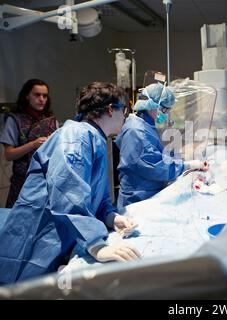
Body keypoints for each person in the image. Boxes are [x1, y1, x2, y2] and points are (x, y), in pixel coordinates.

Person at [0, 82, 140, 285]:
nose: (125, 117)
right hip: (38, 235)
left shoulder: (96, 139)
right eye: (124, 110)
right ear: (111, 109)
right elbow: (67, 193)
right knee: (20, 286)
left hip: (61, 236)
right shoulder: (76, 136)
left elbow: (96, 196)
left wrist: (111, 217)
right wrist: (96, 245)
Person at [116, 82, 207, 210]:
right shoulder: (136, 131)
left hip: (146, 193)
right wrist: (187, 165)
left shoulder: (144, 125)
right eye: (165, 109)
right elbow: (155, 165)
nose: (166, 114)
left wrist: (180, 159)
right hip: (138, 200)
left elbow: (157, 153)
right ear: (151, 105)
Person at [0, 79, 59, 208]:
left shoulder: (51, 121)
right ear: (27, 96)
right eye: (37, 95)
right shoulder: (15, 120)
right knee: (18, 222)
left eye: (44, 95)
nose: (42, 99)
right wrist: (33, 145)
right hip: (22, 183)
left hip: (47, 182)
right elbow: (8, 154)